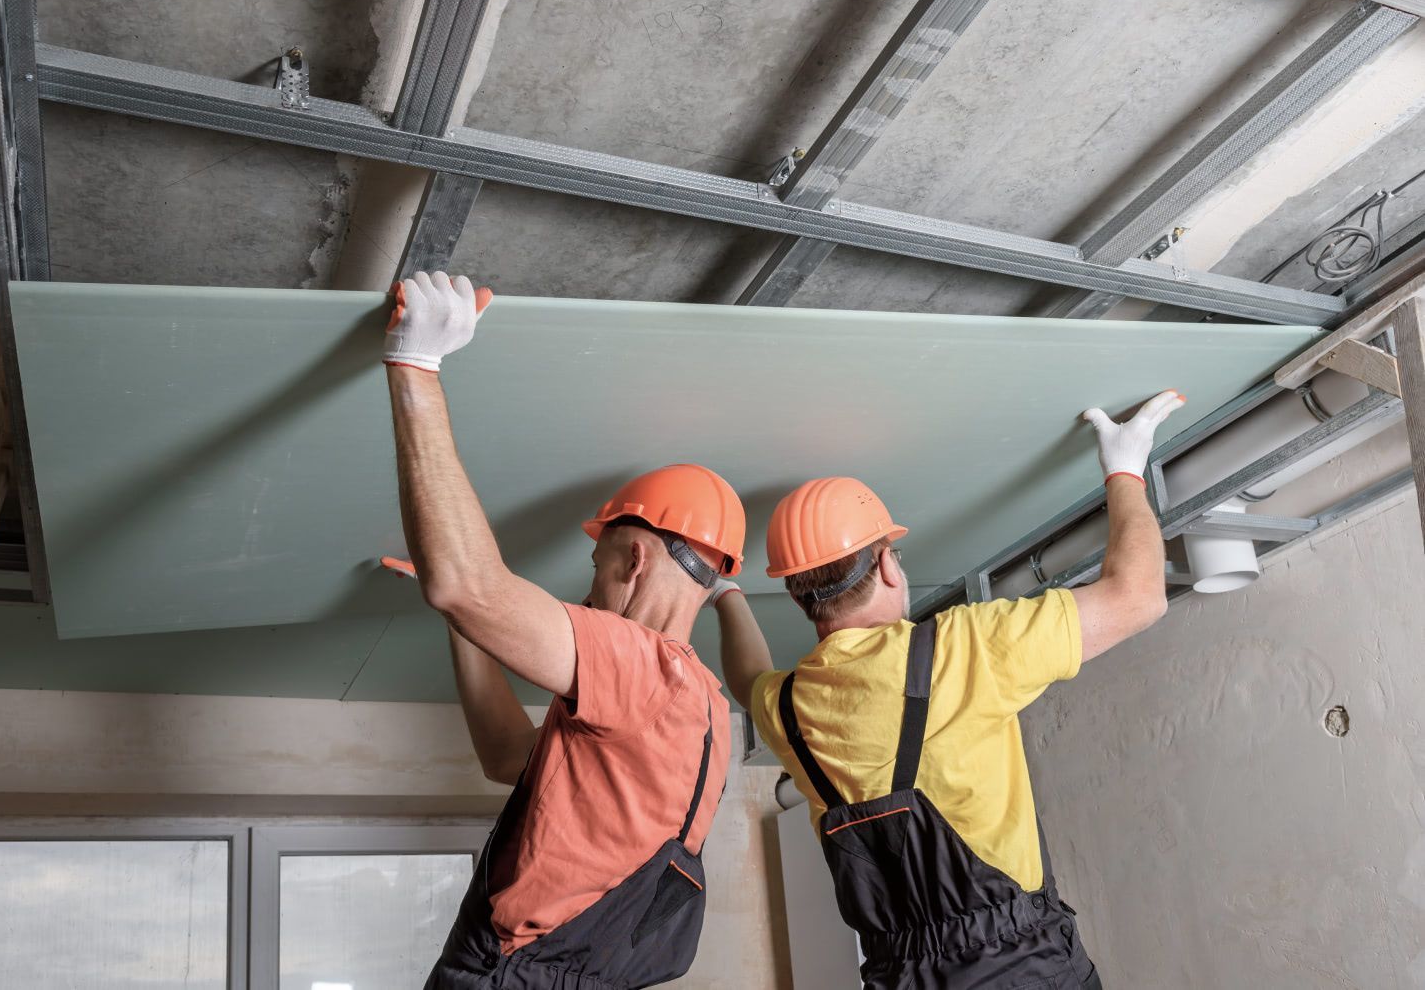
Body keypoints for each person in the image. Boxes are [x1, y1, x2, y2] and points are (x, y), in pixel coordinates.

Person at [715, 391, 1185, 989]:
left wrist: (725, 593)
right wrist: (1124, 470)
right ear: (888, 565)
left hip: (896, 975)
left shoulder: (788, 707)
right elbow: (1138, 595)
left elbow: (747, 678)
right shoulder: (959, 650)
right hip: (1019, 966)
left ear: (798, 595)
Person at [381, 271, 743, 988]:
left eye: (599, 565)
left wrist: (415, 366)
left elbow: (466, 583)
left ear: (636, 560)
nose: (587, 589)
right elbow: (509, 758)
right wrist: (460, 618)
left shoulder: (644, 665)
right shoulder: (702, 705)